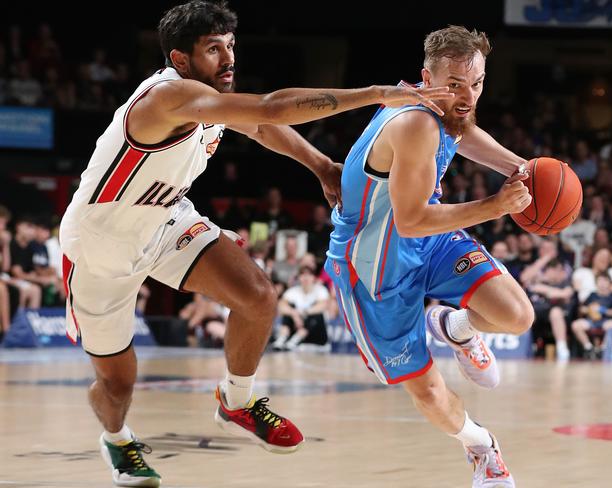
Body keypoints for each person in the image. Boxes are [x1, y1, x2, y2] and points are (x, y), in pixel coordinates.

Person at [57, 1, 452, 486]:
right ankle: (117, 440)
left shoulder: (210, 101)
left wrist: (322, 166)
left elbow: (262, 126)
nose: (228, 59)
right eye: (213, 49)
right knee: (118, 384)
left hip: (164, 219)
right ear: (180, 60)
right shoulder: (167, 99)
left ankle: (237, 399)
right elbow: (270, 107)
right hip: (102, 245)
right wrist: (374, 93)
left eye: (231, 46)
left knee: (259, 297)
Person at [325, 26, 535, 487]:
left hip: (430, 241)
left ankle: (454, 327)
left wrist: (520, 168)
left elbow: (463, 134)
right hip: (373, 267)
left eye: (476, 82)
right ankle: (481, 445)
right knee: (427, 390)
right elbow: (411, 219)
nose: (467, 95)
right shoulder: (415, 121)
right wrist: (495, 206)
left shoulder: (441, 108)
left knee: (516, 314)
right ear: (426, 77)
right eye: (455, 84)